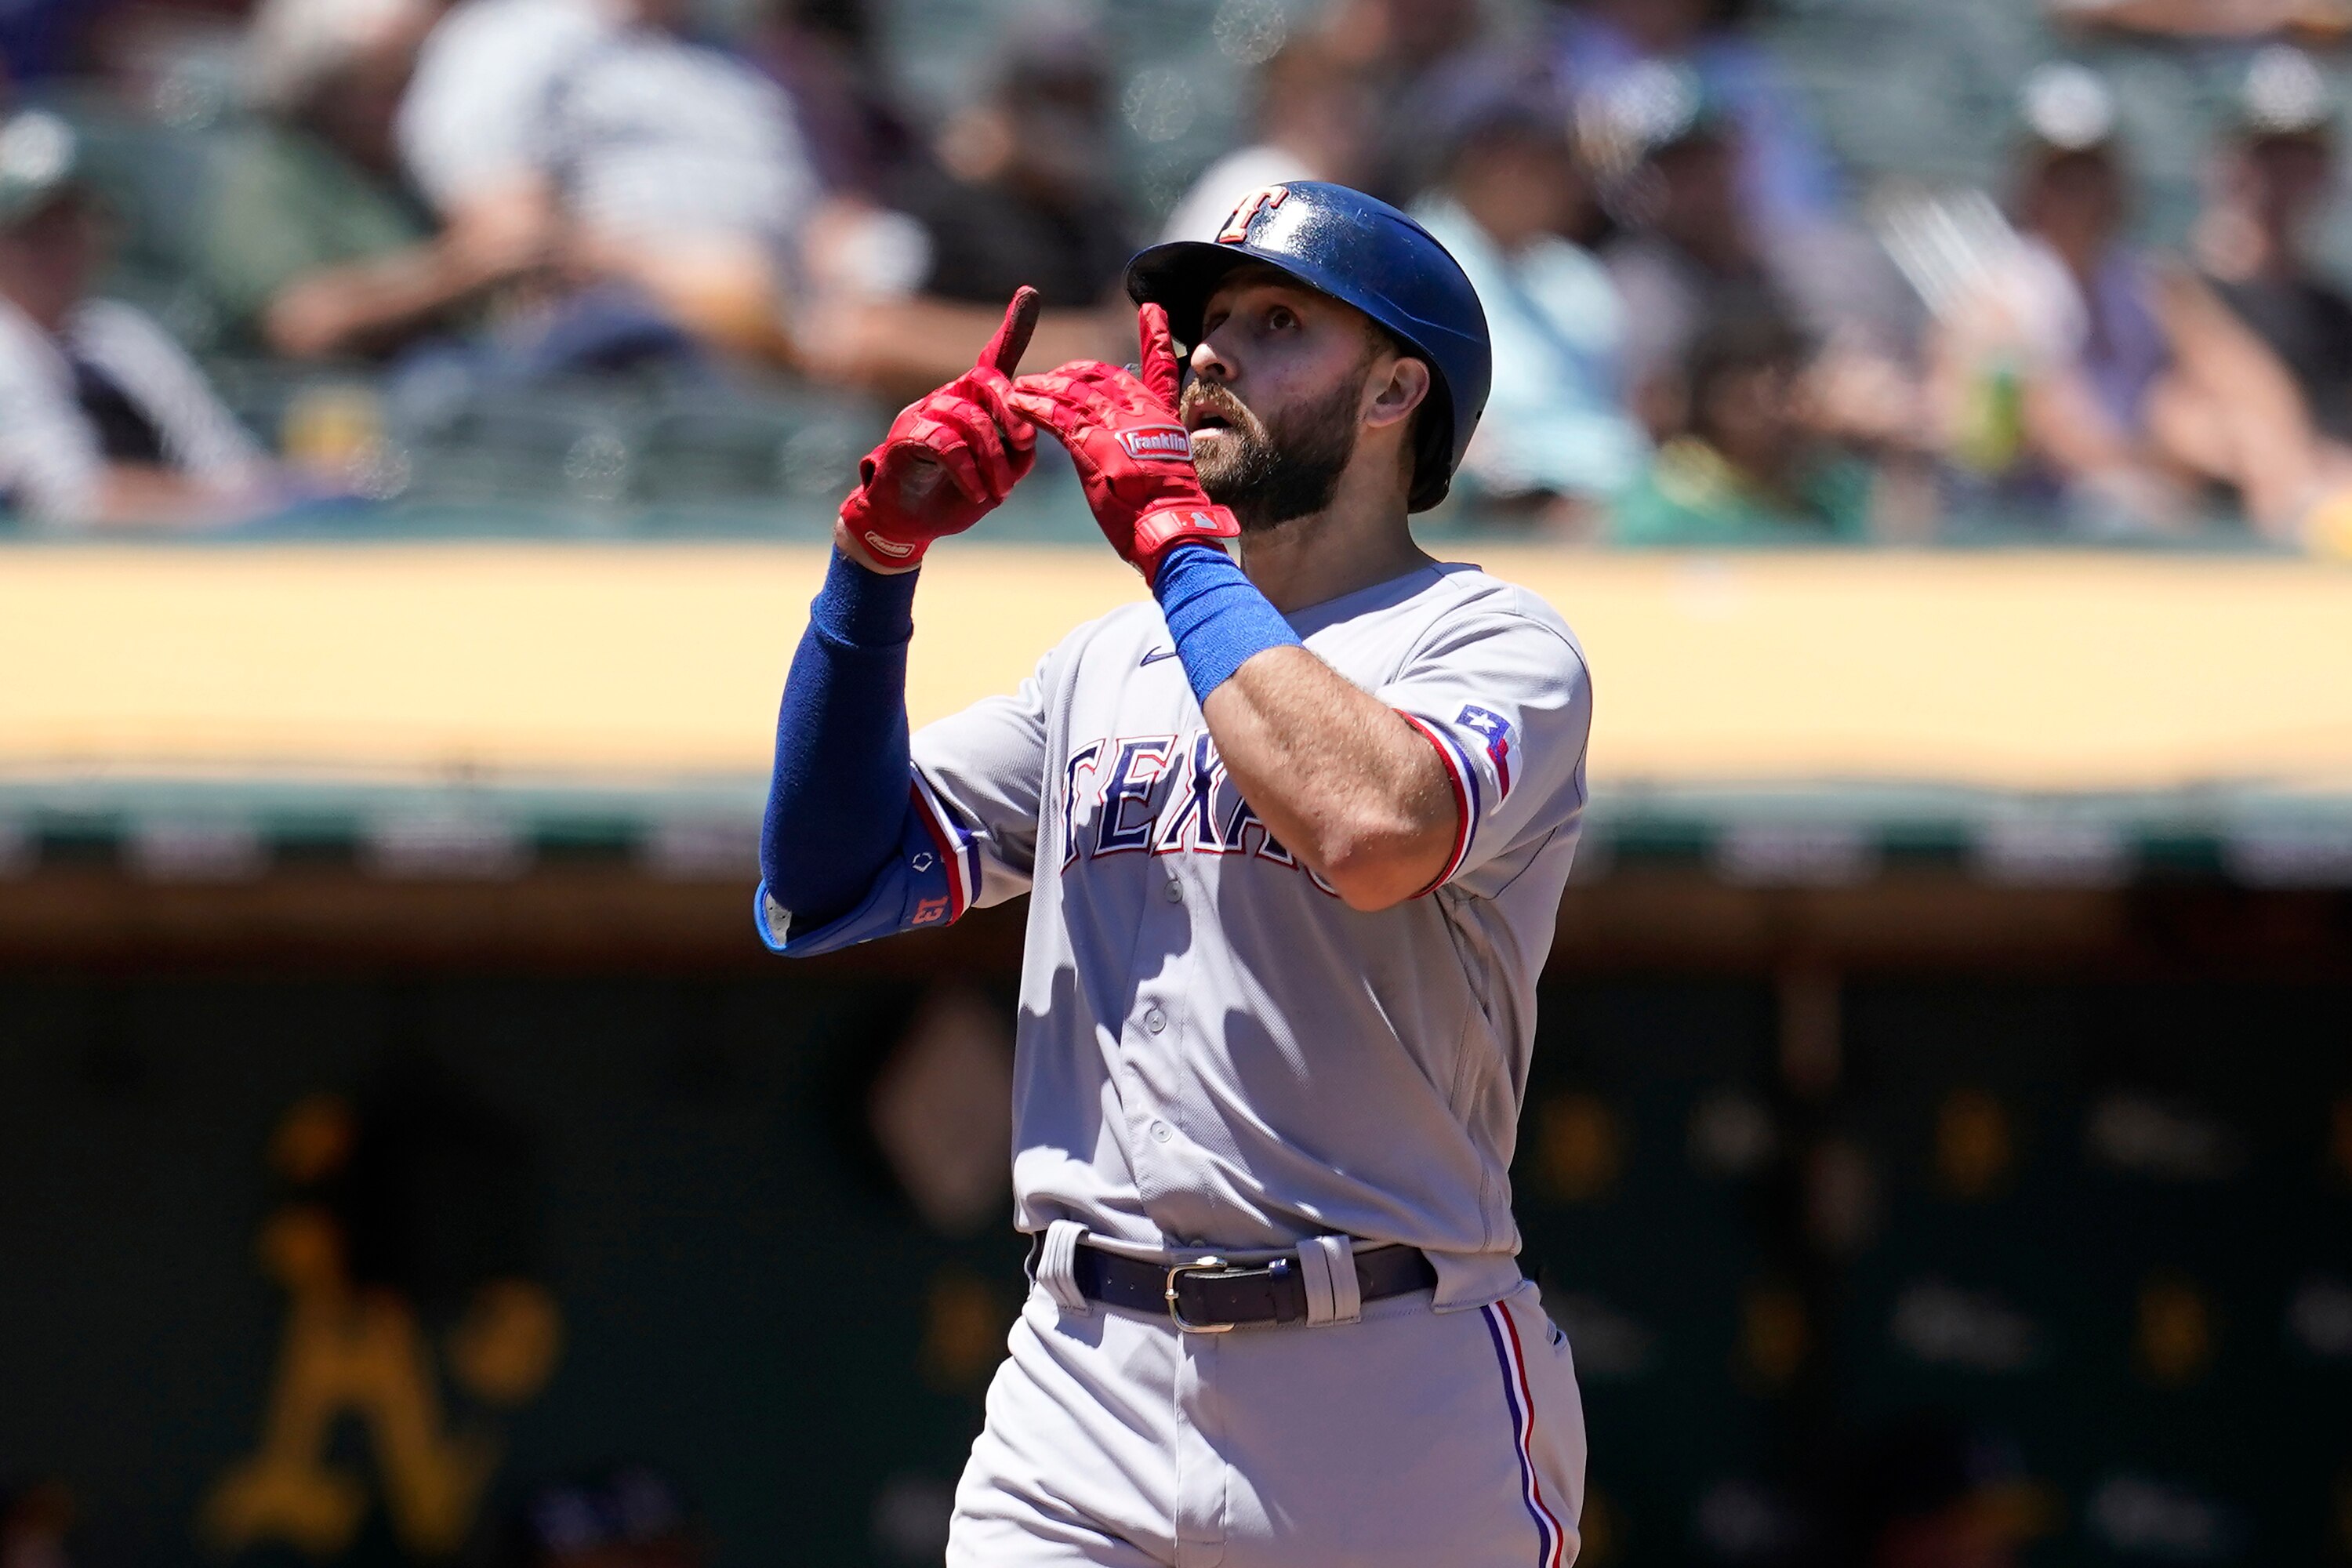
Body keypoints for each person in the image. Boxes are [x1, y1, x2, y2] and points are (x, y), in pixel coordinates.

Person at [757, 180, 1592, 1563]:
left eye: (1277, 322)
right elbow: (822, 882)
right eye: (1205, 321)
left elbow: (1372, 830)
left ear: (1395, 391)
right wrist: (875, 563)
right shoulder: (1105, 663)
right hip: (1082, 1380)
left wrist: (1175, 542)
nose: (1211, 354)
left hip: (1381, 1375)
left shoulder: (1491, 638)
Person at [1933, 64, 2330, 535]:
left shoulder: (2149, 283)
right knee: (2150, 465)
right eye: (2062, 174)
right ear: (2028, 182)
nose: (2080, 193)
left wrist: (2285, 458)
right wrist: (2162, 456)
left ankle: (2302, 525)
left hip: (2128, 485)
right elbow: (2063, 429)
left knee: (2203, 421)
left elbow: (2244, 376)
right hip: (2026, 509)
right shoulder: (2001, 295)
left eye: (2091, 171)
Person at [793, 11, 1127, 399]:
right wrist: (1073, 353)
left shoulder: (1095, 216)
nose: (1069, 120)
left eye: (1085, 96)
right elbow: (860, 339)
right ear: (1007, 97)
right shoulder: (934, 202)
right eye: (1054, 95)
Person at [0, 111, 277, 530]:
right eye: (34, 231)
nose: (57, 249)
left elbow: (230, 465)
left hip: (177, 564)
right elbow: (76, 501)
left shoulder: (120, 335)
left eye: (72, 225)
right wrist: (224, 501)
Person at [1414, 92, 1646, 530]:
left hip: (1607, 492)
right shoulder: (1419, 260)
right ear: (1487, 167)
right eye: (1541, 166)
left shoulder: (1576, 275)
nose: (1565, 185)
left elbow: (1619, 412)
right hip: (1482, 504)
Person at [203, 0, 482, 360]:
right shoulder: (274, 177)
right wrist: (468, 269)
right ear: (323, 88)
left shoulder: (412, 169)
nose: (413, 99)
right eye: (386, 84)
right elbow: (307, 325)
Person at [1610, 307, 1881, 545]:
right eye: (1754, 396)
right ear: (1713, 401)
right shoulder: (1665, 507)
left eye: (1787, 386)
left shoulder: (1833, 493)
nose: (1780, 410)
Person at [2195, 46, 2352, 441]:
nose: (2281, 175)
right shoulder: (2184, 299)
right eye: (2268, 154)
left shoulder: (2335, 313)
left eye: (2299, 155)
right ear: (2228, 162)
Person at [1159, 37, 1374, 244]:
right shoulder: (1275, 180)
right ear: (1293, 106)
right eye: (1340, 108)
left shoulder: (1248, 171)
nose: (1357, 122)